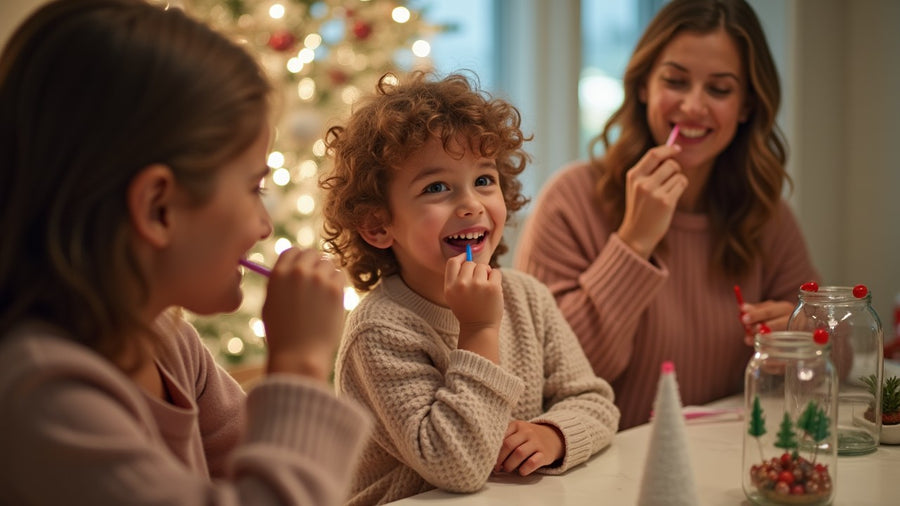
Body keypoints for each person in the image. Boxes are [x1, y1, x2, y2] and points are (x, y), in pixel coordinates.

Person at [0, 1, 371, 504]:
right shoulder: (42, 395)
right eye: (253, 188)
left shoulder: (168, 343)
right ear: (158, 208)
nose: (265, 228)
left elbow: (252, 470)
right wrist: (301, 362)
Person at [514, 0, 819, 430]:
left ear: (747, 105)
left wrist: (802, 334)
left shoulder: (765, 215)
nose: (693, 106)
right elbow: (545, 380)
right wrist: (634, 242)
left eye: (719, 89)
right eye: (676, 81)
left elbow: (837, 359)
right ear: (643, 86)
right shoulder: (571, 200)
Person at [320, 71, 620, 505]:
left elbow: (594, 400)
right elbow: (456, 465)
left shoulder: (527, 297)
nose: (471, 204)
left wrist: (553, 435)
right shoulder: (380, 332)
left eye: (484, 180)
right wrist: (479, 329)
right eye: (436, 187)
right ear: (377, 224)